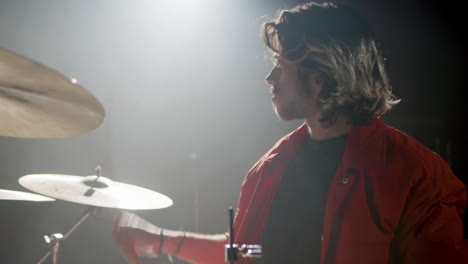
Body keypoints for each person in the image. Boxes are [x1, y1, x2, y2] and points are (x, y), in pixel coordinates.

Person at [112, 2, 468, 264]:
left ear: (320, 76)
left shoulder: (415, 175)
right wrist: (159, 239)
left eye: (281, 66)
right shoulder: (270, 167)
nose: (270, 79)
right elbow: (251, 251)